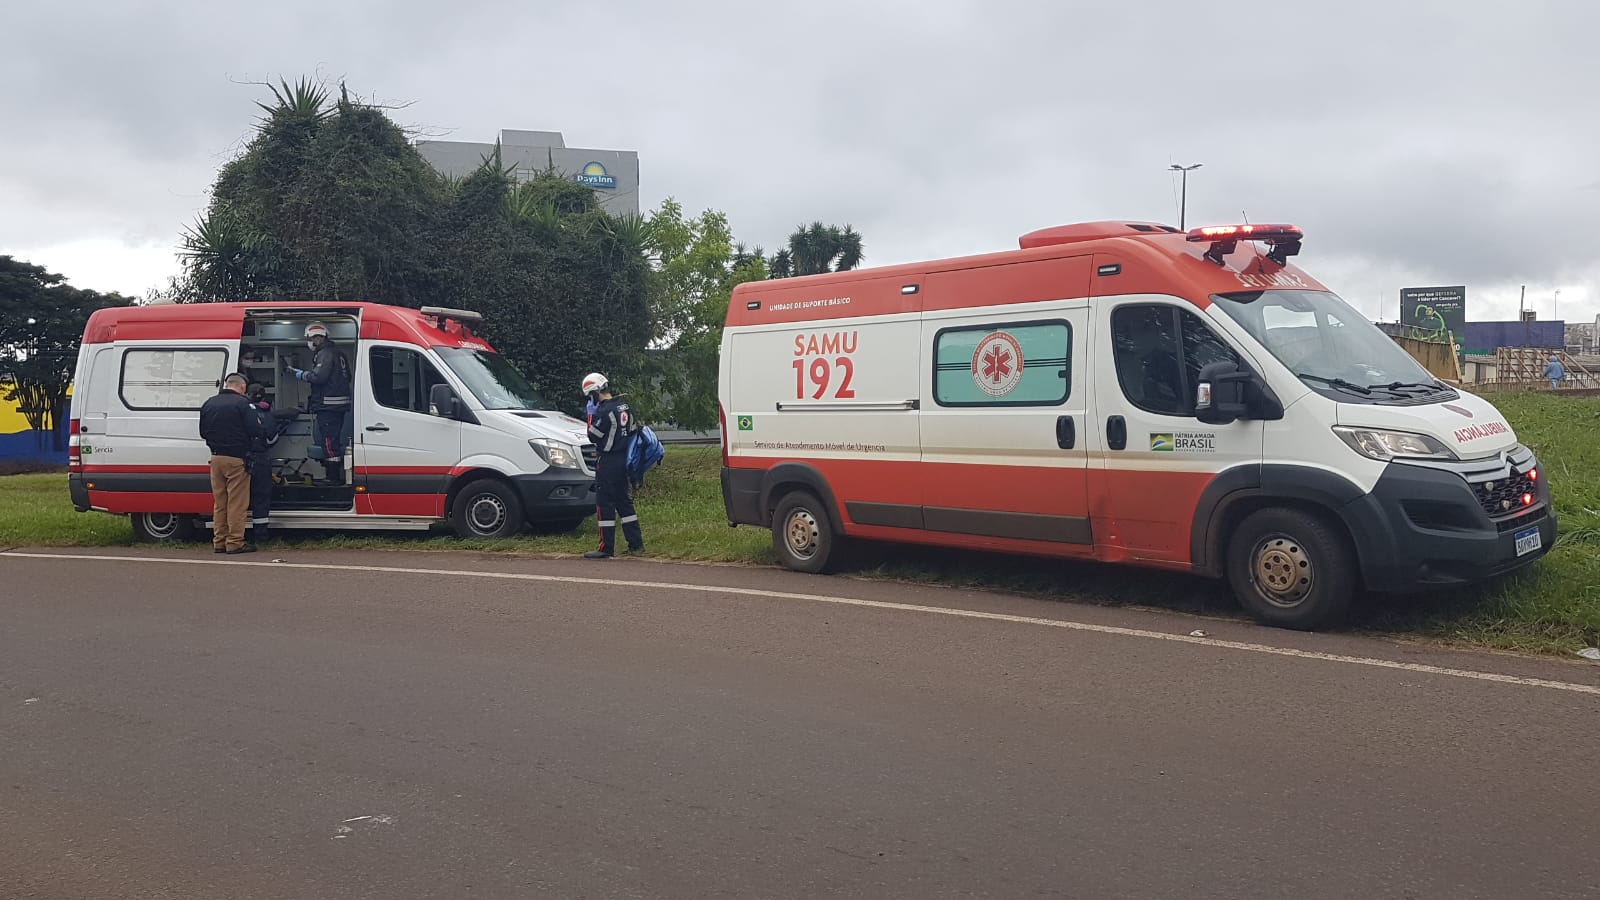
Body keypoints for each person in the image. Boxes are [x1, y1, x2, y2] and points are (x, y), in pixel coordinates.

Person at [198, 374, 263, 555]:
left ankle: (219, 541)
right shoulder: (243, 404)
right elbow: (255, 430)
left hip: (216, 458)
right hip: (236, 459)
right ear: (242, 387)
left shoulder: (209, 403)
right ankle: (234, 542)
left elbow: (203, 432)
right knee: (237, 503)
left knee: (220, 503)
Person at [582, 372, 643, 559]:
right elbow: (633, 430)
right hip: (625, 459)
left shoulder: (602, 412)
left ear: (593, 394)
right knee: (624, 502)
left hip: (608, 462)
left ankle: (606, 548)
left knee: (605, 503)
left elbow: (593, 436)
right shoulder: (624, 406)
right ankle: (636, 544)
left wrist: (590, 415)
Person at [284, 322, 352, 484]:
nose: (309, 342)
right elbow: (347, 377)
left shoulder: (325, 354)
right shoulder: (339, 353)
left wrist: (301, 374)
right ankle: (333, 475)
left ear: (318, 337)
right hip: (337, 405)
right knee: (332, 439)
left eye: (310, 339)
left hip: (328, 405)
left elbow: (319, 377)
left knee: (329, 441)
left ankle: (333, 477)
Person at [245, 383, 286, 545]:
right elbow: (271, 439)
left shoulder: (242, 411)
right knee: (261, 497)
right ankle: (261, 536)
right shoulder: (266, 414)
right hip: (260, 459)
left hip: (242, 458)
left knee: (238, 497)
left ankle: (235, 534)